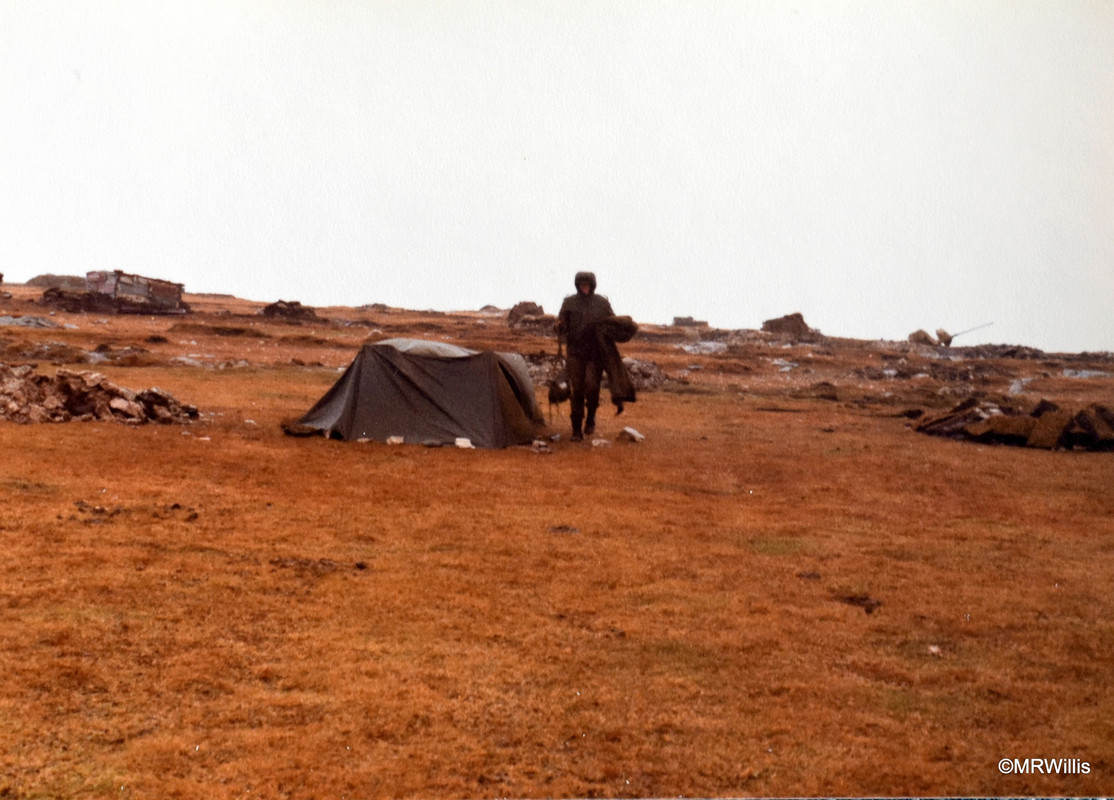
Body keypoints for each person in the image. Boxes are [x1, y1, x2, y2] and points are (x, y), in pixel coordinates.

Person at [556, 272, 635, 441]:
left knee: (592, 388)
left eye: (588, 285)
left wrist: (622, 330)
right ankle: (576, 430)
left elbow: (612, 323)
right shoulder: (569, 303)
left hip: (595, 354)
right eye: (582, 285)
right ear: (577, 285)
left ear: (592, 285)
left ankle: (591, 417)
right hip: (575, 354)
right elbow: (561, 325)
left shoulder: (601, 303)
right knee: (576, 391)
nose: (585, 287)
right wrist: (559, 327)